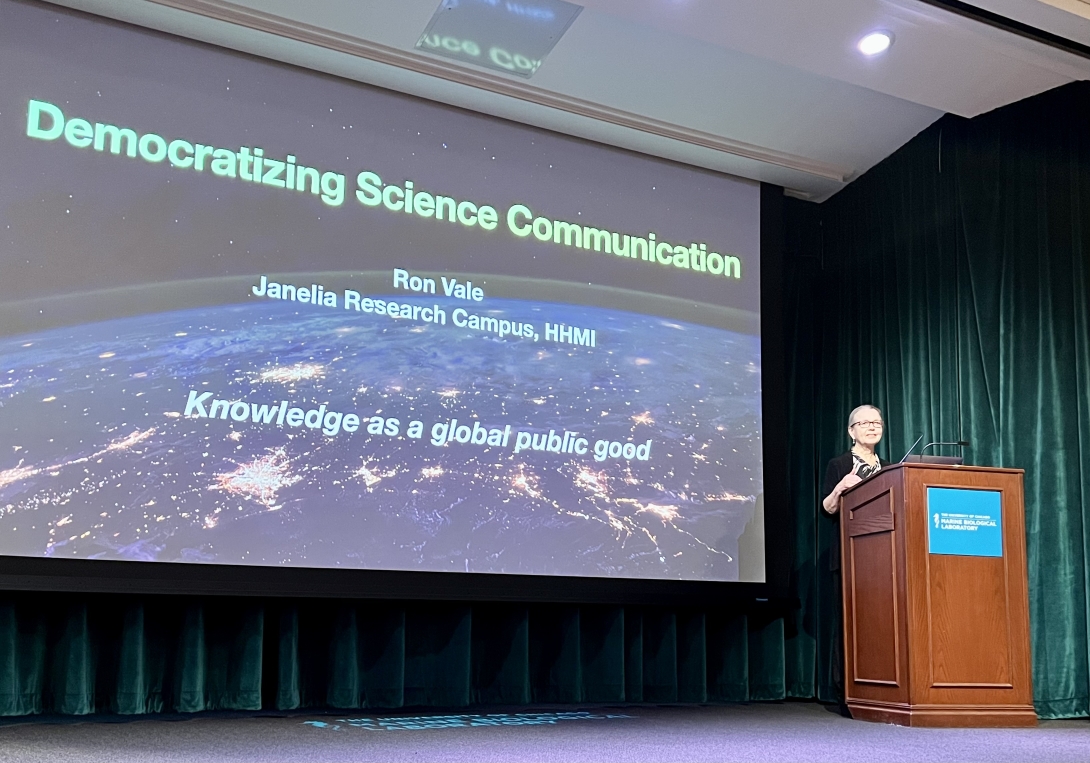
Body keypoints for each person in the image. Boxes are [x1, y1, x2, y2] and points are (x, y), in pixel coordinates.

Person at [820, 404, 887, 708]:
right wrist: (840, 487)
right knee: (847, 625)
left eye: (877, 422)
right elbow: (827, 508)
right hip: (848, 557)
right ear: (851, 430)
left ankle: (881, 686)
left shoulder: (891, 469)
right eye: (865, 423)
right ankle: (845, 690)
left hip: (884, 560)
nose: (872, 427)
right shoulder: (839, 464)